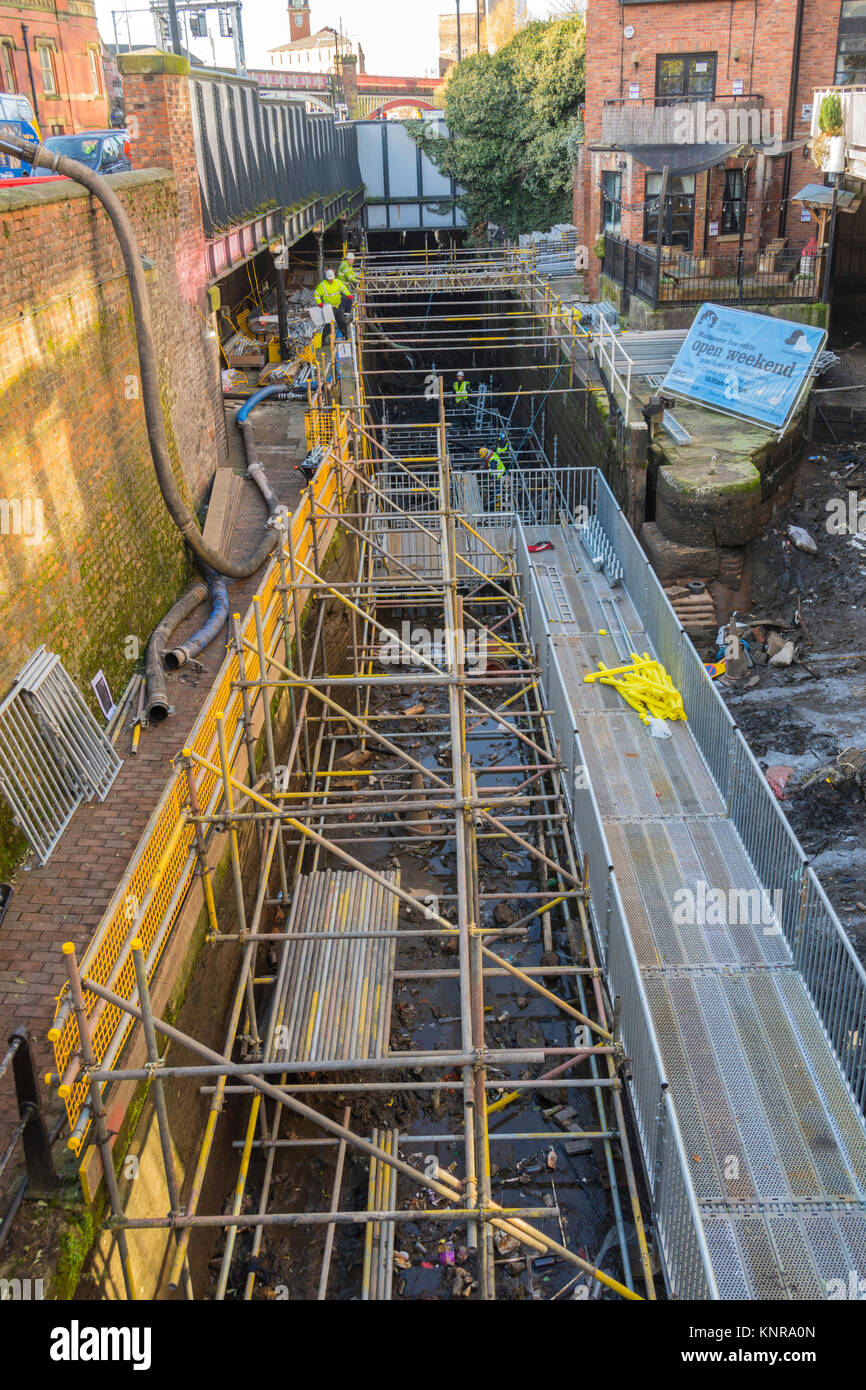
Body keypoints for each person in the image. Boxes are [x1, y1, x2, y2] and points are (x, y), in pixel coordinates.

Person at [314, 267, 349, 341]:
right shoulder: (322, 285)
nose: (331, 280)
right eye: (329, 279)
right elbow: (316, 294)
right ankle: (322, 340)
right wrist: (319, 303)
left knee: (342, 321)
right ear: (326, 278)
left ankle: (345, 336)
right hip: (328, 308)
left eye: (332, 279)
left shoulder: (337, 282)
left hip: (337, 306)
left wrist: (348, 294)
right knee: (328, 325)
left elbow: (344, 288)